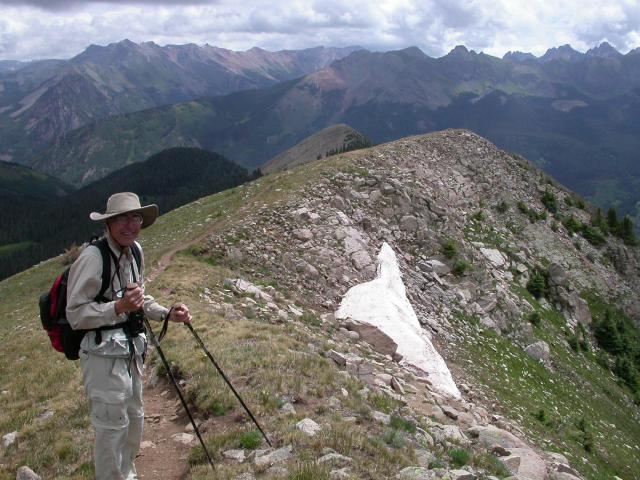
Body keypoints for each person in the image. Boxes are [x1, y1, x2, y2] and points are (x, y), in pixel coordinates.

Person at [66, 192, 192, 480]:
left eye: (135, 218)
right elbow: (75, 314)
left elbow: (139, 299)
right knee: (111, 430)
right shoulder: (93, 258)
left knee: (134, 421)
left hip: (131, 354)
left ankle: (128, 474)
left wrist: (166, 313)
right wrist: (117, 307)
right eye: (121, 219)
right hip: (102, 358)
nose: (130, 225)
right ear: (108, 223)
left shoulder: (134, 251)